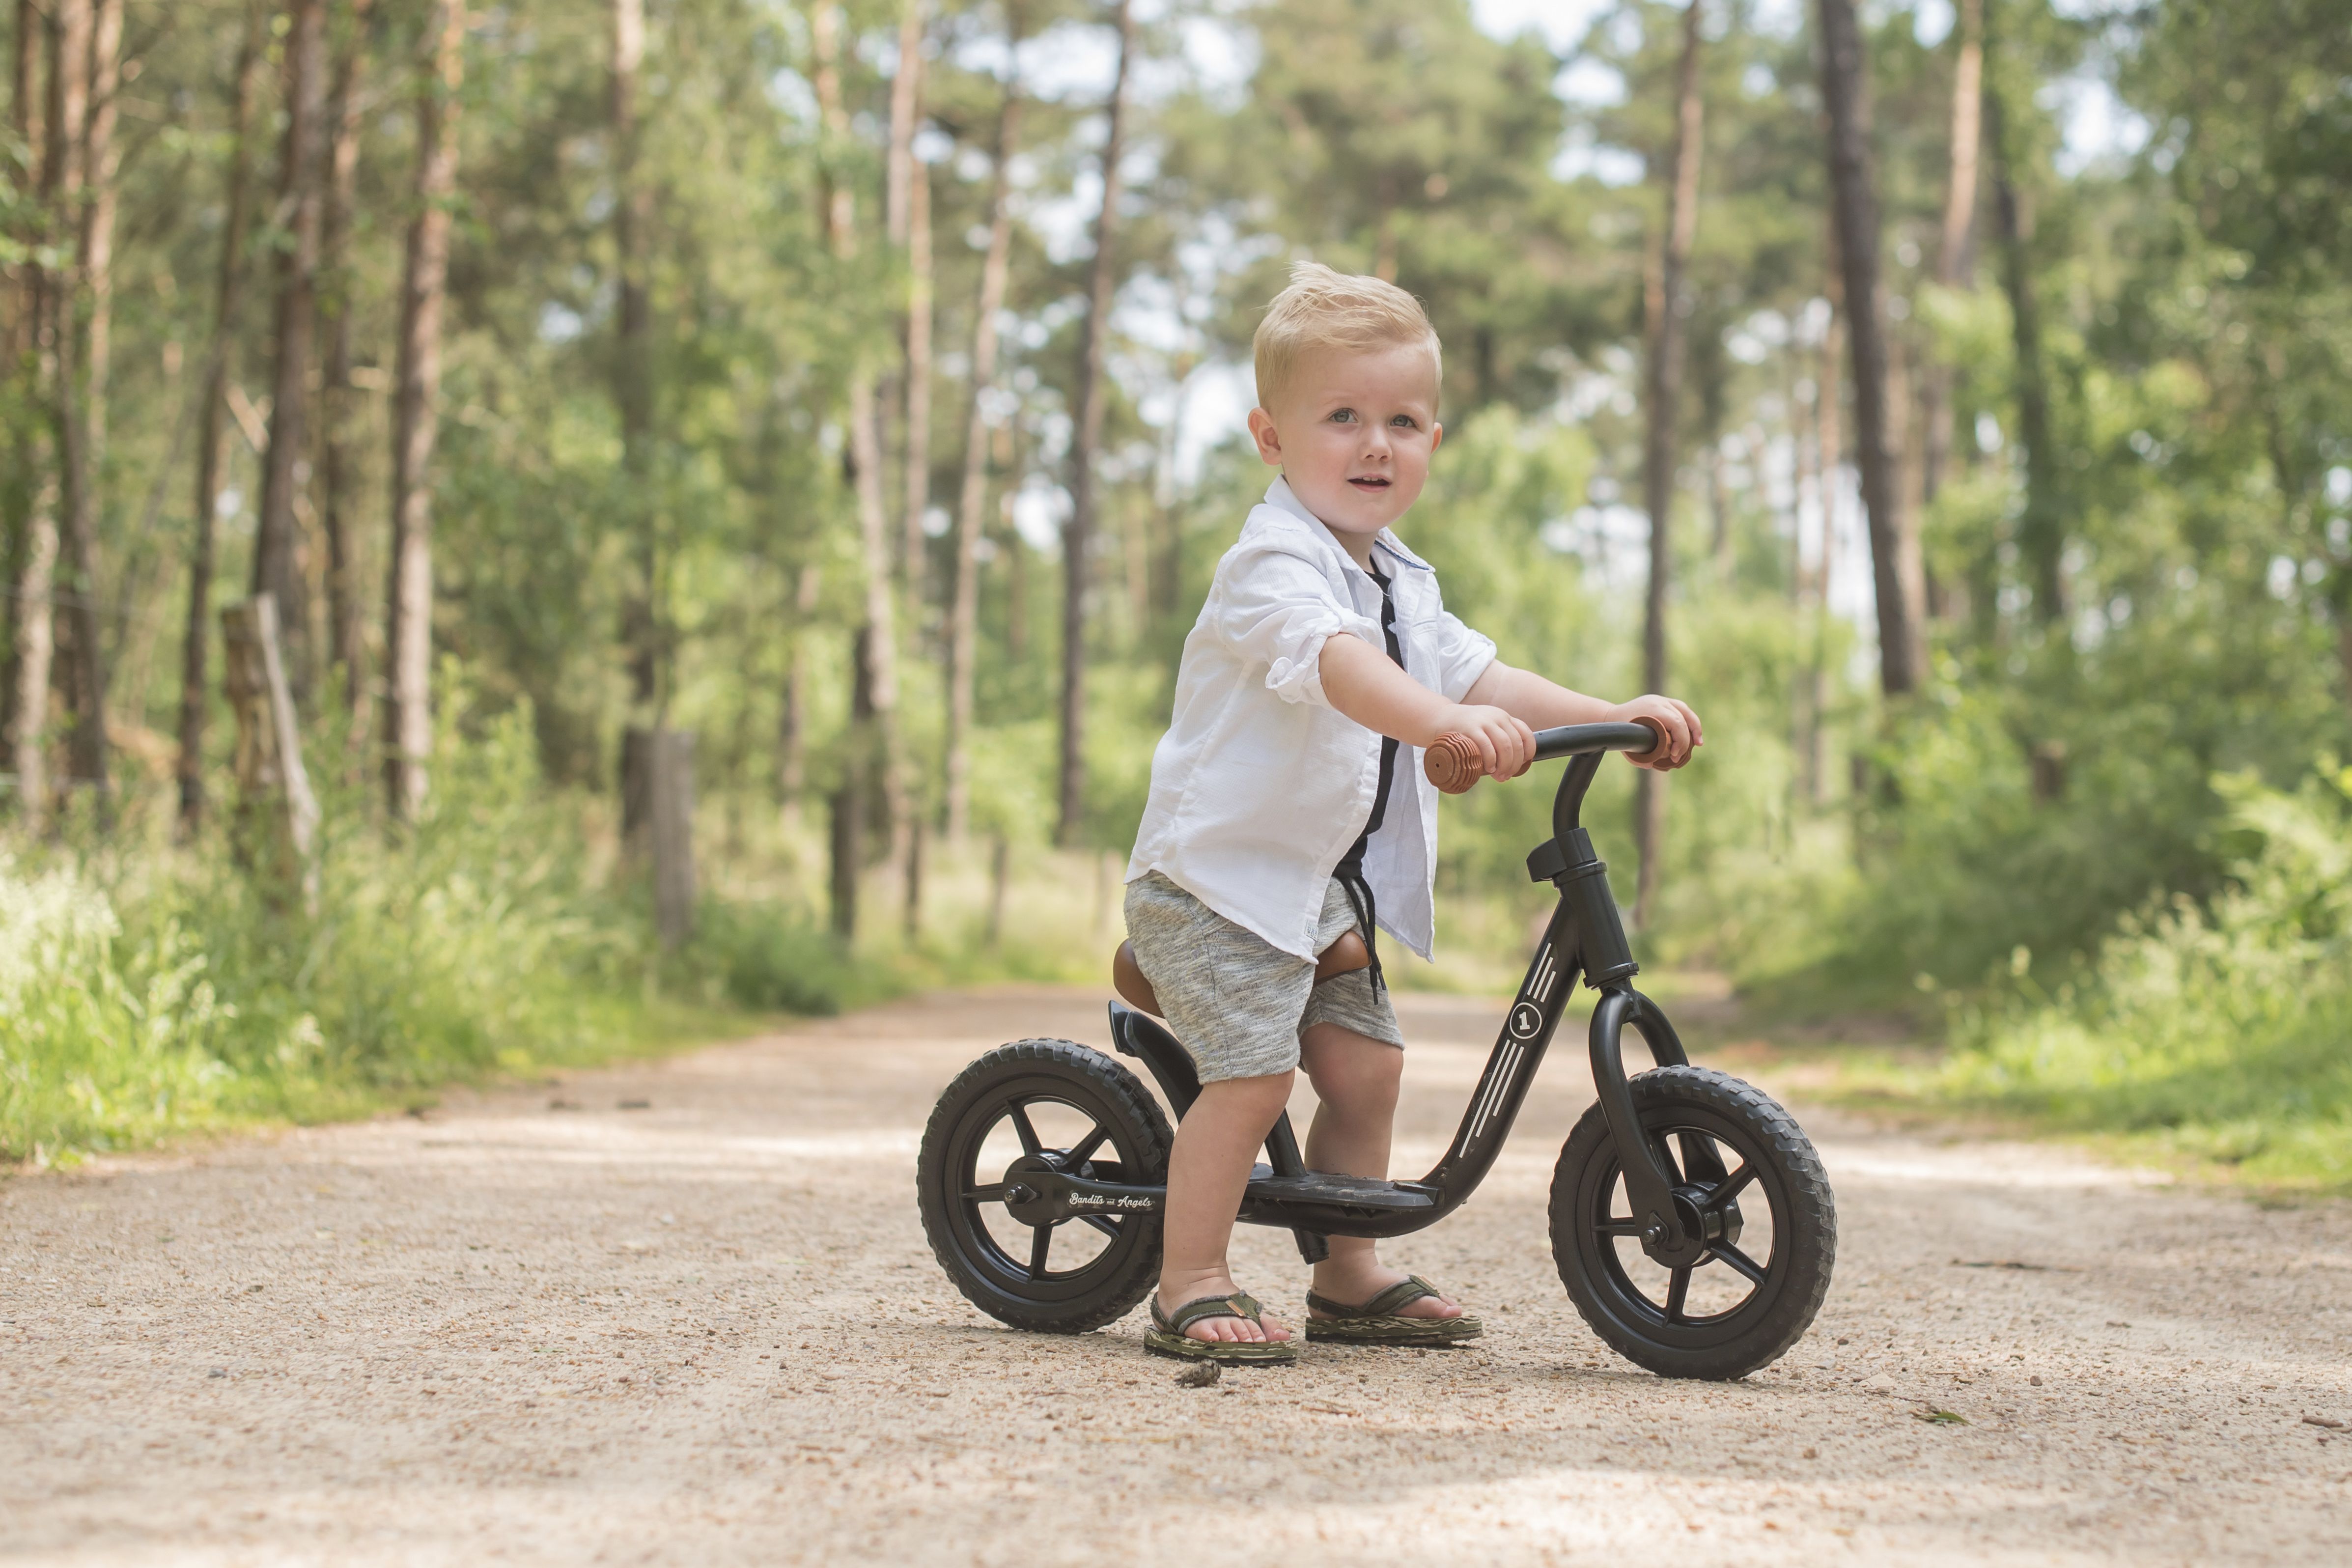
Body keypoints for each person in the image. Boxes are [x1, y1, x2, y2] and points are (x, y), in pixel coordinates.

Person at [1121, 262, 1703, 1364]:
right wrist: (1434, 720)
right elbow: (1341, 669)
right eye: (1342, 418)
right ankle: (1189, 1278)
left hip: (1313, 890)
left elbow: (1482, 675)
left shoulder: (1400, 577)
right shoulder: (1272, 564)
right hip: (1219, 883)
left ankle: (1349, 1273)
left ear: (1436, 438)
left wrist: (1610, 714)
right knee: (1251, 1080)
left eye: (1403, 420)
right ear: (1271, 437)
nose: (1376, 444)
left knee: (1368, 1070)